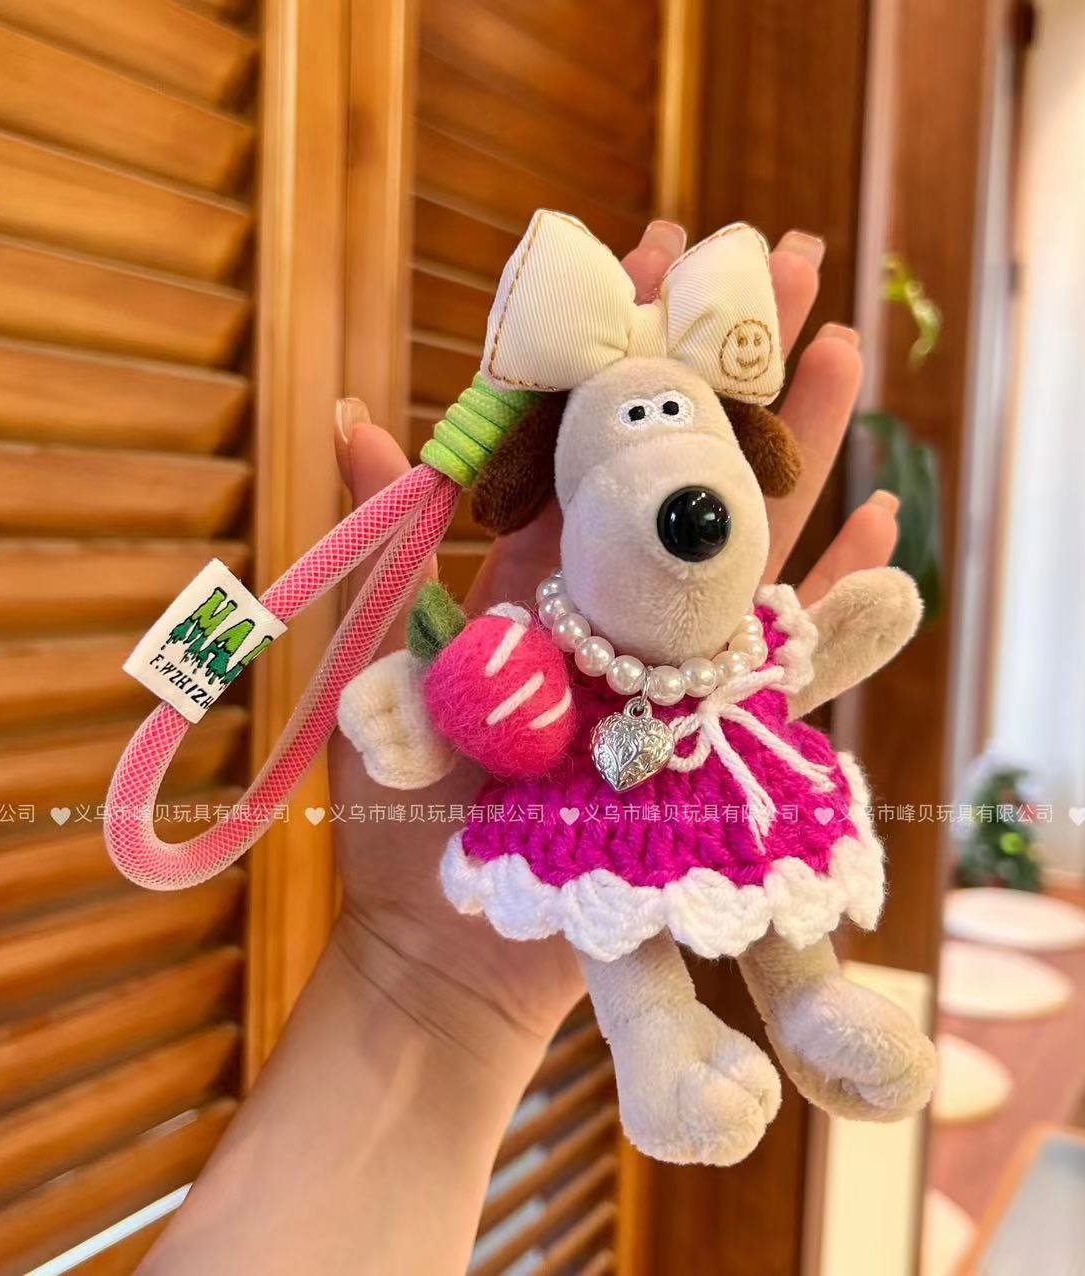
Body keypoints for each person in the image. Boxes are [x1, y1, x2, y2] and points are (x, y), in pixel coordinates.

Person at [141, 221, 900, 1274]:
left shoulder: (746, 642)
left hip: (730, 773)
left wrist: (845, 629)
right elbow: (480, 690)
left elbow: (801, 659)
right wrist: (432, 706)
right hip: (587, 799)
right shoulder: (547, 655)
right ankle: (661, 1049)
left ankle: (815, 1001)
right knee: (606, 915)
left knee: (781, 885)